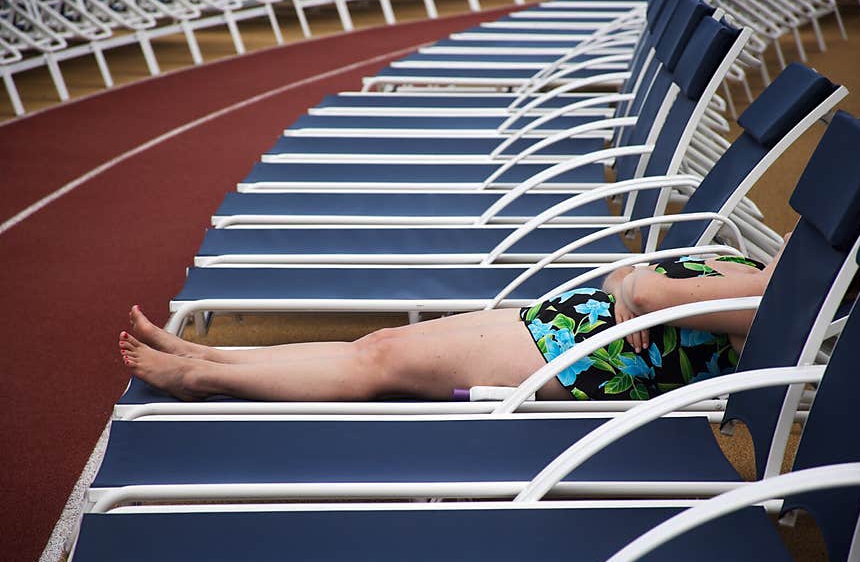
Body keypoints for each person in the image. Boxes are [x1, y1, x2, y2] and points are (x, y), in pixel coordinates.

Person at [119, 238, 788, 403]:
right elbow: (626, 276)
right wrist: (631, 287)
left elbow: (651, 289)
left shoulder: (773, 293)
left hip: (578, 362)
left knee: (377, 363)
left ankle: (205, 375)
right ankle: (203, 362)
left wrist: (636, 287)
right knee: (375, 343)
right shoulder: (756, 265)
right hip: (570, 326)